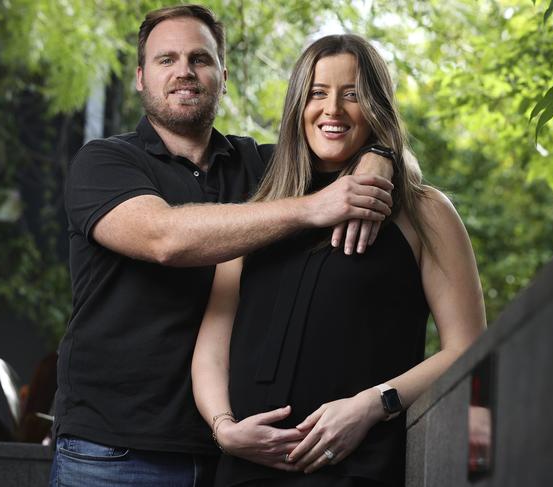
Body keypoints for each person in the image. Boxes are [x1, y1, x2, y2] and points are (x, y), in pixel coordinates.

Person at [49, 5, 395, 487]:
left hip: (241, 453)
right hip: (117, 450)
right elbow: (164, 238)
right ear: (140, 77)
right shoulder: (104, 162)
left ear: (223, 75)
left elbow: (342, 136)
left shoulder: (262, 167)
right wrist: (311, 208)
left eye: (200, 59)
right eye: (166, 59)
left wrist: (381, 158)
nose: (184, 71)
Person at [191, 34, 486, 486]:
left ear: (377, 106)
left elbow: (467, 348)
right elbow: (213, 345)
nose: (332, 109)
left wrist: (373, 404)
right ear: (297, 107)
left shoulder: (424, 212)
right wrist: (224, 428)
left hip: (358, 469)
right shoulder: (259, 213)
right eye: (317, 94)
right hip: (246, 472)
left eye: (352, 94)